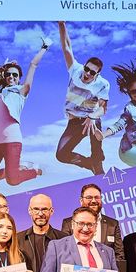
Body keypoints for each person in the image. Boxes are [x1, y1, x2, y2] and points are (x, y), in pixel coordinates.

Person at [0, 38, 52, 186]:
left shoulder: (21, 92)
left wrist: (44, 47)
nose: (11, 77)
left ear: (19, 79)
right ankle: (15, 168)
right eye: (8, 74)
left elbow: (33, 65)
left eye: (15, 75)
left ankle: (34, 171)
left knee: (13, 180)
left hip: (12, 140)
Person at [54, 21, 110, 175]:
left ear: (97, 75)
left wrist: (92, 116)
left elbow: (103, 108)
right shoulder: (75, 69)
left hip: (89, 119)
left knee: (94, 124)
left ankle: (97, 162)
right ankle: (88, 163)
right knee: (61, 155)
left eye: (92, 73)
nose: (88, 74)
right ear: (84, 66)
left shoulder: (102, 85)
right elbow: (67, 47)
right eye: (87, 69)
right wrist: (61, 25)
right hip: (73, 122)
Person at [59, 184, 125, 266]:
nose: (94, 201)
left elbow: (119, 255)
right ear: (81, 200)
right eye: (89, 197)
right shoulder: (68, 223)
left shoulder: (112, 224)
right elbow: (65, 252)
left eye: (97, 197)